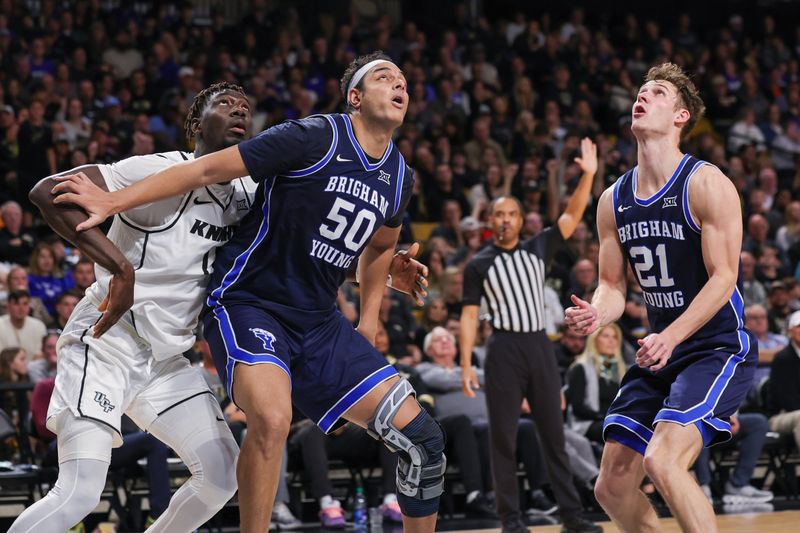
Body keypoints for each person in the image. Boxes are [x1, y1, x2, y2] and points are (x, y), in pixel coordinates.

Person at [51, 52, 444, 533]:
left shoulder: (399, 176)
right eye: (385, 77)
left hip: (312, 323)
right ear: (356, 97)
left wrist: (370, 314)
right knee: (273, 421)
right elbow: (205, 170)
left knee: (423, 440)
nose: (399, 84)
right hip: (247, 304)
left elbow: (374, 245)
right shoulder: (312, 135)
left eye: (404, 79)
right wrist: (111, 201)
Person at [565, 63, 757, 533]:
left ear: (681, 115)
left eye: (657, 92)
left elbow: (724, 278)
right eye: (641, 90)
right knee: (609, 487)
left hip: (715, 347)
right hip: (661, 353)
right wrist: (598, 313)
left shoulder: (706, 183)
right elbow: (613, 286)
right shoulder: (613, 199)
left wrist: (670, 336)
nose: (643, 96)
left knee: (664, 461)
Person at [460, 139, 600, 533]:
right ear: (491, 220)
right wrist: (468, 363)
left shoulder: (539, 246)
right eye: (498, 214)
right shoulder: (479, 264)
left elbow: (572, 216)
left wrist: (588, 174)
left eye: (511, 214)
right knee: (502, 438)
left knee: (554, 435)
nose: (505, 219)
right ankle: (511, 520)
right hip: (502, 347)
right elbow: (470, 315)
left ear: (522, 221)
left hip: (539, 345)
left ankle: (572, 517)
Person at [566, 324, 626, 444]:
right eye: (606, 336)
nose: (611, 341)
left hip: (613, 420)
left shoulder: (621, 370)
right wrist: (604, 417)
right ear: (594, 340)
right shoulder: (580, 367)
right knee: (617, 430)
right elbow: (578, 408)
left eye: (614, 337)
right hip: (587, 422)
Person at [0, 290, 47, 360]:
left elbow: (41, 355)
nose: (21, 308)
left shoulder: (39, 326)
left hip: (34, 369)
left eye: (25, 304)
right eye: (16, 304)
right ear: (8, 306)